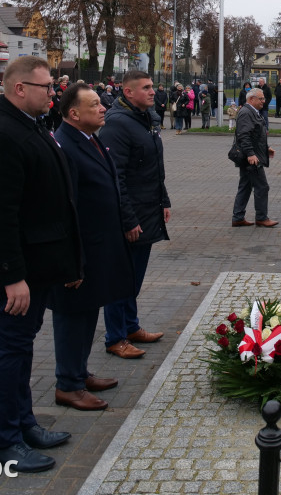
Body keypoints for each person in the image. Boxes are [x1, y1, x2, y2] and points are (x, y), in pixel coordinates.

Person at [0, 55, 83, 473]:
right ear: (19, 89)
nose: (53, 93)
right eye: (46, 87)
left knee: (21, 347)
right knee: (10, 349)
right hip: (19, 272)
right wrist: (11, 276)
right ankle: (4, 441)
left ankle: (24, 424)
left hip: (39, 265)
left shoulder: (28, 126)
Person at [49, 83, 134, 412]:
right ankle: (67, 385)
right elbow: (62, 207)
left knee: (87, 314)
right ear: (74, 114)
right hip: (77, 252)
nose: (104, 108)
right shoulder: (65, 146)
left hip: (96, 247)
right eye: (95, 104)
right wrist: (70, 259)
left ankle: (79, 373)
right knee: (72, 317)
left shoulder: (88, 137)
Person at [100, 70, 171, 359]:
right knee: (120, 279)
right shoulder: (117, 125)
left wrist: (163, 200)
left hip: (147, 209)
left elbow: (152, 168)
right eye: (146, 87)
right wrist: (128, 220)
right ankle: (115, 337)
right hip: (129, 217)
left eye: (152, 86)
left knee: (133, 278)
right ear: (128, 93)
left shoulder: (145, 119)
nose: (153, 91)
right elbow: (115, 177)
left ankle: (131, 327)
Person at [231, 88, 278, 227]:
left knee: (245, 186)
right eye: (261, 99)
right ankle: (262, 218)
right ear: (252, 99)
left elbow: (255, 134)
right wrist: (251, 154)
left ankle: (238, 217)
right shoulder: (246, 113)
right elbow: (244, 135)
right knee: (262, 187)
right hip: (251, 158)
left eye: (263, 98)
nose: (264, 101)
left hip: (252, 155)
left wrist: (265, 148)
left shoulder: (251, 112)